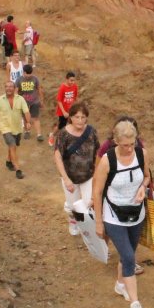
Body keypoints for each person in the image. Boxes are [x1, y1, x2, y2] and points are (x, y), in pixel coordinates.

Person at [92, 119, 150, 308]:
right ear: (116, 142)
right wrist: (99, 222)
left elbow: (147, 176)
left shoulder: (142, 154)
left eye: (131, 144)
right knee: (128, 257)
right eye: (124, 145)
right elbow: (97, 191)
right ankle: (135, 304)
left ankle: (120, 284)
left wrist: (143, 187)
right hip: (113, 216)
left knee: (129, 252)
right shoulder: (108, 160)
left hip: (136, 214)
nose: (128, 148)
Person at [52, 101, 99, 235]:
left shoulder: (91, 131)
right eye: (77, 117)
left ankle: (87, 229)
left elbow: (98, 152)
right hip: (70, 177)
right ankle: (73, 221)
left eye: (83, 117)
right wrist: (66, 179)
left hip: (88, 175)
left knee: (88, 204)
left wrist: (97, 172)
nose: (80, 120)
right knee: (73, 206)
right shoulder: (63, 134)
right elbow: (57, 157)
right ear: (71, 118)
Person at [0, 81, 30, 179]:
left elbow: (26, 112)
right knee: (12, 146)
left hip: (17, 128)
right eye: (6, 86)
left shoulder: (20, 99)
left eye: (11, 87)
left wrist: (28, 122)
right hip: (5, 128)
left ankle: (8, 161)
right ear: (5, 88)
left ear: (15, 88)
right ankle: (18, 170)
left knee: (13, 145)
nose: (8, 88)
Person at [51, 71, 79, 147]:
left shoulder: (75, 86)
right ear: (66, 79)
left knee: (71, 125)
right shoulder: (63, 87)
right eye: (71, 80)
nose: (72, 82)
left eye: (73, 80)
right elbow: (59, 100)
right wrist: (64, 112)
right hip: (62, 111)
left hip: (71, 110)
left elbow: (75, 98)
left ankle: (66, 140)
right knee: (61, 126)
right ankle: (52, 135)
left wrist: (75, 108)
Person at [17, 63, 43, 141]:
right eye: (27, 74)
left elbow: (39, 89)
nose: (29, 75)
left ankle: (39, 135)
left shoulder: (35, 79)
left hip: (34, 101)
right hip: (23, 102)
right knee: (25, 118)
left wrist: (41, 100)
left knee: (35, 118)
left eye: (30, 74)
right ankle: (27, 131)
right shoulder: (19, 80)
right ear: (23, 72)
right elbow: (16, 91)